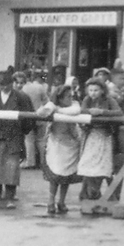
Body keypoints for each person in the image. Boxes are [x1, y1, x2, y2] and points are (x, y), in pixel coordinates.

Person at [0, 70, 33, 207]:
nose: (4, 87)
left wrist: (22, 131)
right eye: (0, 84)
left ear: (12, 83)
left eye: (7, 84)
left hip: (13, 138)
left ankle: (10, 197)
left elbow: (29, 118)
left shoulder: (21, 97)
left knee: (11, 169)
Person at [36, 84, 82, 214]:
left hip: (71, 144)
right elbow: (41, 113)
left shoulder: (74, 105)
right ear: (60, 98)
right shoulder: (52, 105)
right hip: (56, 145)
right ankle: (50, 201)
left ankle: (61, 201)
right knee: (55, 176)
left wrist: (57, 110)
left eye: (71, 96)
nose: (70, 98)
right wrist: (47, 108)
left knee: (66, 177)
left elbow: (75, 111)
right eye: (67, 97)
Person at [76, 76, 123, 201]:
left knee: (105, 165)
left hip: (105, 135)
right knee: (88, 163)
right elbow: (82, 111)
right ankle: (88, 192)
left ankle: (112, 194)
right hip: (91, 135)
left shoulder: (109, 100)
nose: (93, 93)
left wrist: (102, 112)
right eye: (90, 90)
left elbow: (119, 112)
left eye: (96, 90)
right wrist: (89, 112)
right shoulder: (87, 99)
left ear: (102, 90)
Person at [21, 69, 49, 169]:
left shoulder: (23, 88)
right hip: (40, 116)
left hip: (27, 116)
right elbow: (46, 101)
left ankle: (30, 161)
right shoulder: (40, 87)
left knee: (29, 140)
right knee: (41, 140)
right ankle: (43, 161)